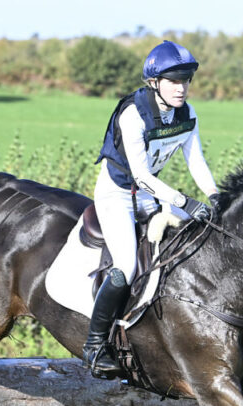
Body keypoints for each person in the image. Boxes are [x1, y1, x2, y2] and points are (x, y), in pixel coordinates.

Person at [83, 40, 222, 378]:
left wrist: (216, 196)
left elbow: (197, 162)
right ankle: (94, 345)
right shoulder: (133, 114)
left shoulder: (187, 114)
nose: (182, 88)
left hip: (150, 195)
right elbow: (141, 175)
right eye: (174, 81)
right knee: (126, 267)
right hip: (117, 194)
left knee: (198, 237)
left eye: (186, 80)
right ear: (154, 83)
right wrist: (184, 201)